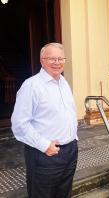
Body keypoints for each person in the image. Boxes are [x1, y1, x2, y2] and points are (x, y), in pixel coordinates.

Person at [11, 43, 78, 198]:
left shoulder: (63, 82)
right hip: (45, 155)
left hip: (69, 152)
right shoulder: (32, 86)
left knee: (64, 194)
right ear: (42, 61)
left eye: (60, 58)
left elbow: (68, 113)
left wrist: (74, 139)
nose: (57, 62)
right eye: (52, 59)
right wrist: (45, 145)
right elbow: (20, 125)